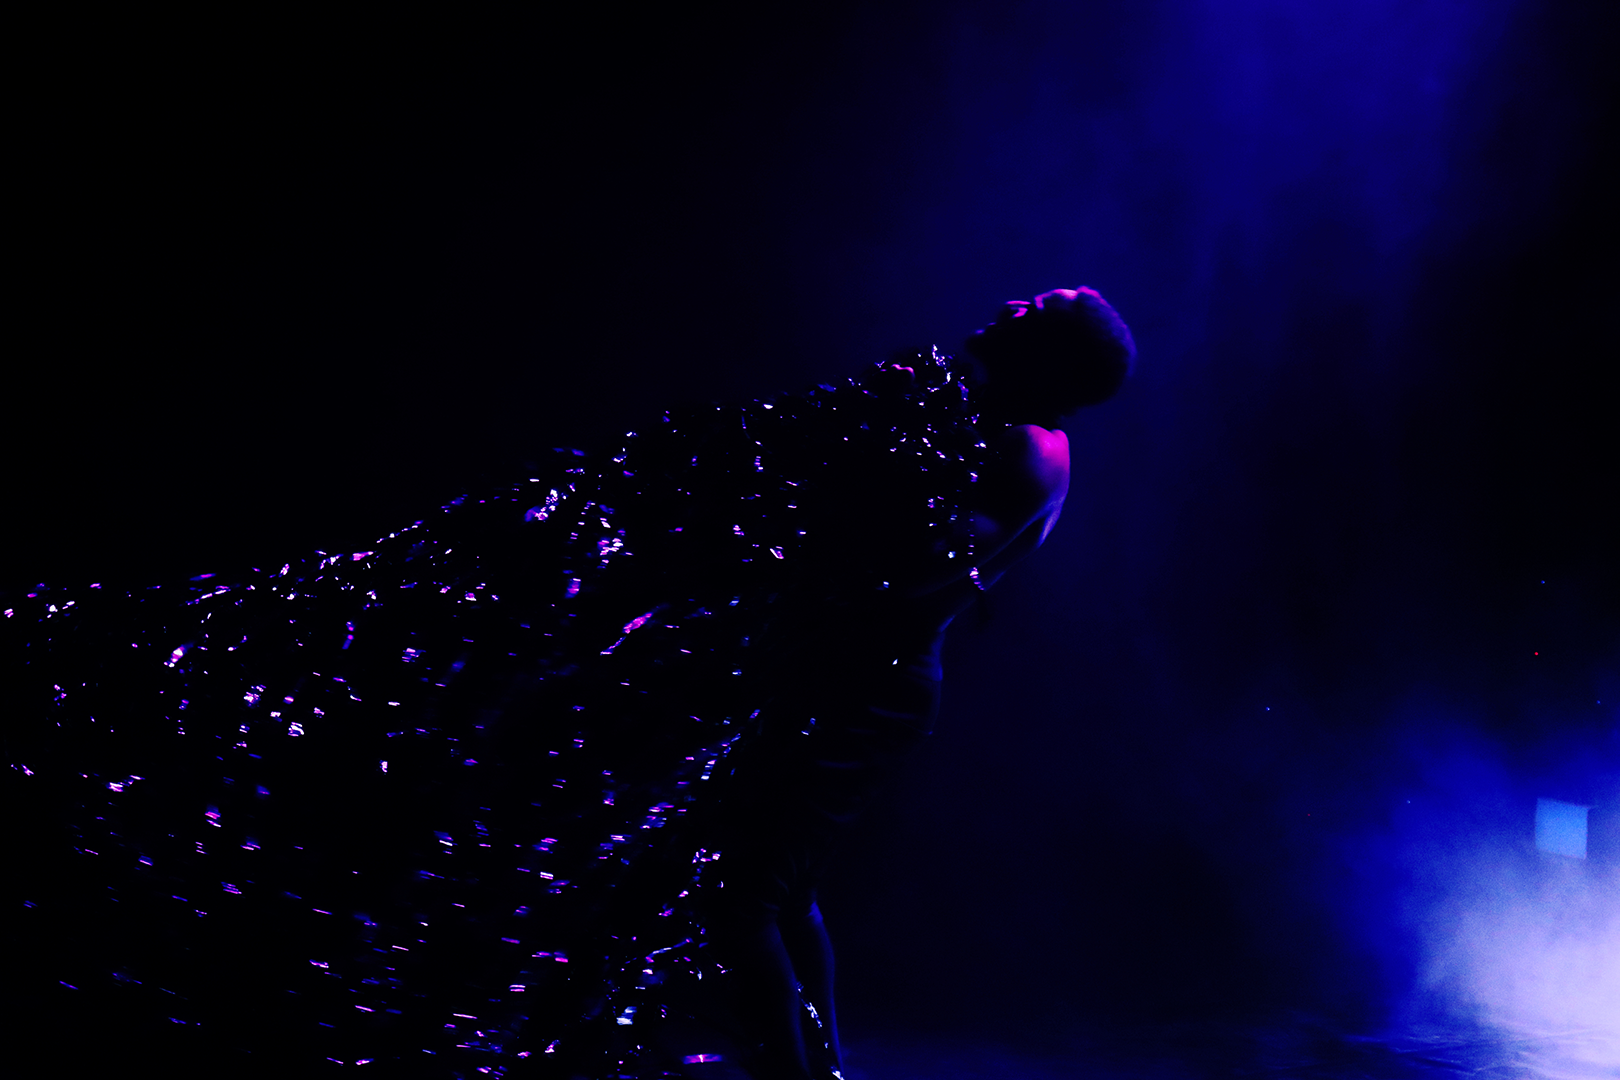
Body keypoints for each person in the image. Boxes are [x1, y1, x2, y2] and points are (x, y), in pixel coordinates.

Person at [0, 288, 1133, 1078]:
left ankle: (801, 1076)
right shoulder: (981, 420)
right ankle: (822, 1065)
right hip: (840, 677)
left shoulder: (1024, 446)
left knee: (742, 896)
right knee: (779, 888)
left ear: (1060, 359)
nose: (1012, 305)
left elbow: (918, 567)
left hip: (865, 691)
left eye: (1040, 309)